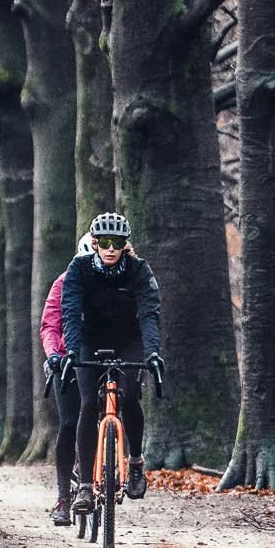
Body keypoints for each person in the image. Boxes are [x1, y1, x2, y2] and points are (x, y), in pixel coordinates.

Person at [50, 211, 163, 525]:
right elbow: (70, 313)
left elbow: (150, 314)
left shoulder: (139, 271)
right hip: (89, 338)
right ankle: (85, 485)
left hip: (129, 339)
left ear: (125, 245)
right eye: (104, 242)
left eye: (117, 243)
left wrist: (152, 353)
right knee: (87, 403)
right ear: (95, 243)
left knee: (129, 396)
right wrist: (71, 351)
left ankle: (136, 461)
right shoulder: (79, 269)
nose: (111, 248)